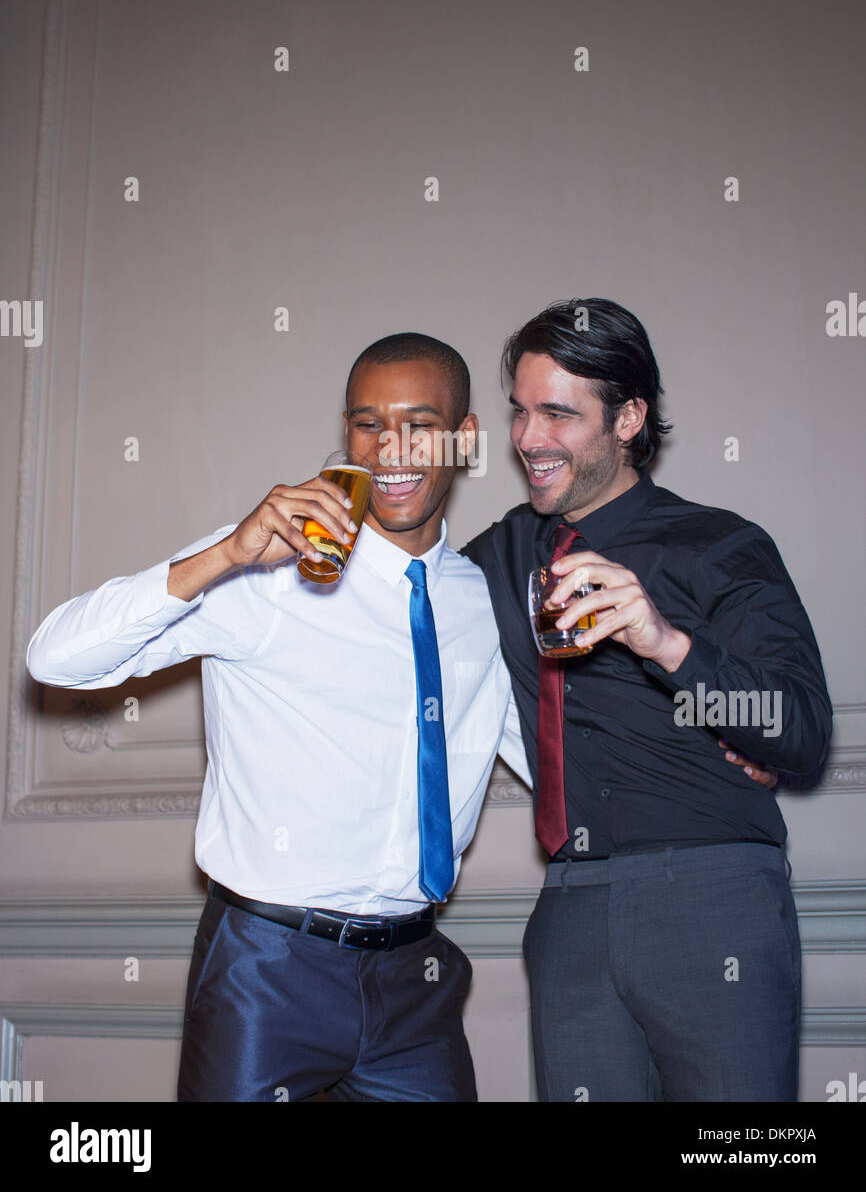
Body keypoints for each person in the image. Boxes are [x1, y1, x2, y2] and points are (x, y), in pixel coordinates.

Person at [26, 334, 533, 1103]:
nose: (390, 447)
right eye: (369, 423)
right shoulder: (264, 571)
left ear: (464, 442)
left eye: (420, 424)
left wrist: (718, 752)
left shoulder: (483, 600)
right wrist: (224, 555)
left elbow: (560, 764)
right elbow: (54, 658)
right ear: (347, 435)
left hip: (416, 975)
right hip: (268, 967)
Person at [460, 298, 832, 1103]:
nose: (528, 438)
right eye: (521, 412)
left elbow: (799, 733)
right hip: (567, 908)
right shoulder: (499, 555)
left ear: (628, 418)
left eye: (559, 413)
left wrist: (668, 645)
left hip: (714, 896)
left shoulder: (720, 544)